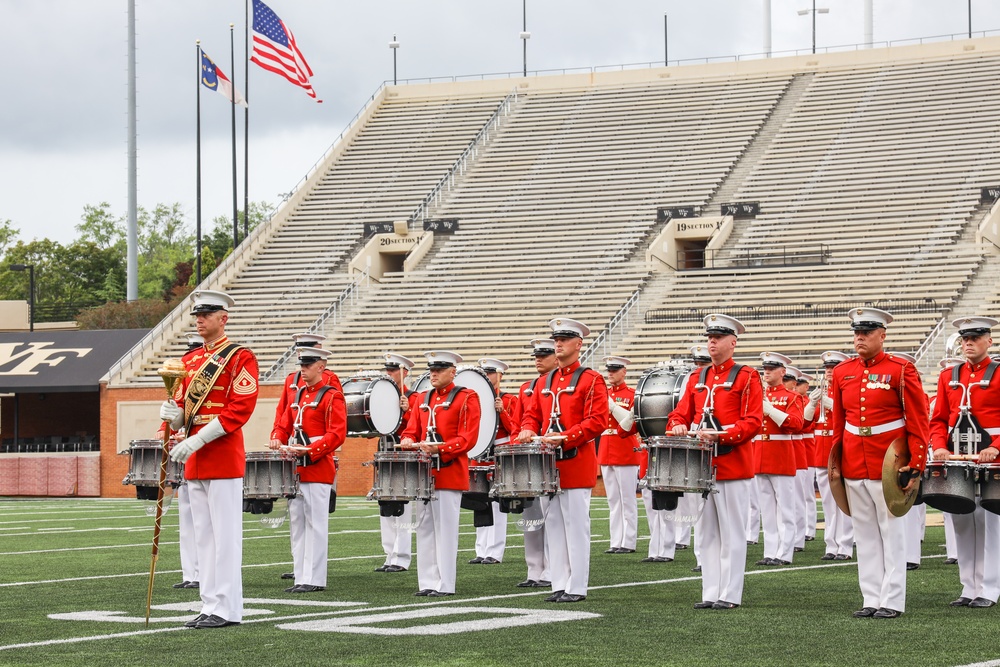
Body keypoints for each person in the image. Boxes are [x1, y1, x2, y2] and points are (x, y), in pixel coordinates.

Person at [160, 290, 259, 629]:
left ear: (223, 318)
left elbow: (239, 409)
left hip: (221, 455)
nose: (199, 319)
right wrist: (172, 417)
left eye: (207, 314)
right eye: (197, 315)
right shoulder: (187, 363)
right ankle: (209, 604)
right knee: (203, 536)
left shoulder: (239, 357)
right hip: (195, 459)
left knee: (225, 537)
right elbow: (184, 413)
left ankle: (228, 608)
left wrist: (198, 438)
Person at [829, 307, 928, 619]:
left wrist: (916, 463)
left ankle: (892, 600)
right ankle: (871, 597)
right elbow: (838, 424)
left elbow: (917, 418)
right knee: (866, 536)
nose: (860, 337)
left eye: (867, 331)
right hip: (854, 464)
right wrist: (836, 465)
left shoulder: (901, 370)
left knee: (893, 534)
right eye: (857, 332)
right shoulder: (842, 372)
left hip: (889, 464)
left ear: (882, 335)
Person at [667, 314, 762, 610]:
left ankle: (730, 594)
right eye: (709, 337)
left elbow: (753, 421)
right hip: (701, 467)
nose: (712, 342)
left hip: (732, 464)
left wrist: (722, 435)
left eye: (718, 337)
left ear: (732, 343)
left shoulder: (747, 376)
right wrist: (678, 425)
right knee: (706, 533)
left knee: (732, 532)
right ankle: (710, 591)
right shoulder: (696, 378)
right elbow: (680, 413)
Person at [519, 317, 609, 603]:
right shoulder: (545, 381)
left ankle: (577, 586)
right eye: (556, 339)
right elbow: (532, 413)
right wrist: (528, 428)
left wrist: (566, 437)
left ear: (578, 344)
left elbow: (597, 421)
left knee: (575, 526)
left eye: (564, 339)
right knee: (554, 525)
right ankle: (559, 583)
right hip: (548, 465)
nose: (557, 343)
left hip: (575, 460)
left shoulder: (591, 379)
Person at [930, 316, 1000, 608]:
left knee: (990, 523)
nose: (968, 343)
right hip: (958, 457)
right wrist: (938, 447)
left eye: (974, 338)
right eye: (964, 339)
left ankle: (990, 588)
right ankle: (968, 587)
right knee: (961, 521)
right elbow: (937, 419)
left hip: (992, 459)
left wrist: (996, 448)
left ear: (989, 341)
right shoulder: (950, 375)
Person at [400, 350, 480, 597]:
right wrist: (406, 439)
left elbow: (468, 438)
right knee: (424, 529)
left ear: (452, 372)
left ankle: (445, 584)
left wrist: (441, 448)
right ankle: (427, 582)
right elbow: (412, 430)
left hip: (449, 472)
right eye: (431, 370)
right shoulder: (423, 398)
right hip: (424, 474)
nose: (433, 374)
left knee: (445, 531)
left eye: (439, 370)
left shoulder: (467, 397)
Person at [269, 346, 347, 593]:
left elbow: (337, 434)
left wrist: (311, 450)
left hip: (317, 466)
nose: (302, 369)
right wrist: (276, 437)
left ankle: (314, 579)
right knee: (297, 523)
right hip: (296, 466)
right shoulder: (299, 395)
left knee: (315, 523)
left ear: (321, 367)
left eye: (308, 365)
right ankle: (300, 576)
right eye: (301, 365)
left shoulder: (332, 395)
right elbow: (284, 424)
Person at [511, 338, 558, 588]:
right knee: (531, 517)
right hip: (529, 459)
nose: (538, 359)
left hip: (550, 456)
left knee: (551, 517)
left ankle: (552, 569)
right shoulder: (527, 388)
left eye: (544, 355)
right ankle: (534, 570)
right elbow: (519, 423)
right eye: (536, 356)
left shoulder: (557, 387)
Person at [803, 350, 854, 561]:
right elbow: (805, 422)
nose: (829, 372)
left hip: (841, 451)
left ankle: (845, 546)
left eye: (833, 368)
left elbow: (852, 413)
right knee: (828, 504)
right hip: (821, 453)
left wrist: (830, 403)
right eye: (827, 368)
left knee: (844, 502)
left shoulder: (846, 390)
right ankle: (831, 545)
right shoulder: (821, 391)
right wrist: (812, 404)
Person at [753, 352, 803, 567]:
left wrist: (771, 410)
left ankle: (784, 553)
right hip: (760, 454)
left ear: (783, 372)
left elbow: (796, 424)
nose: (767, 372)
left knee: (785, 509)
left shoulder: (793, 397)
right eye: (765, 368)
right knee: (767, 509)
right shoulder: (757, 396)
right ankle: (770, 550)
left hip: (781, 454)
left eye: (772, 369)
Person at [376, 353, 420, 573]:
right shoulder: (382, 396)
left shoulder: (415, 398)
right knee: (385, 505)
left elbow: (418, 427)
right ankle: (389, 555)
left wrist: (407, 410)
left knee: (403, 506)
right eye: (387, 370)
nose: (389, 374)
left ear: (404, 373)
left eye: (393, 370)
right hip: (385, 451)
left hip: (404, 454)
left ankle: (401, 558)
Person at [468, 357, 515, 565]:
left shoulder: (510, 399)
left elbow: (516, 428)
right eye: (484, 373)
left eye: (491, 373)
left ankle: (494, 552)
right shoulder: (476, 400)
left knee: (497, 502)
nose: (487, 377)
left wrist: (502, 411)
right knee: (480, 501)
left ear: (500, 375)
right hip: (480, 452)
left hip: (500, 450)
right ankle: (481, 550)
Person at [168, 332, 204, 590]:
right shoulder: (184, 375)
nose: (189, 358)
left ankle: (202, 572)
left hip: (201, 447)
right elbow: (176, 409)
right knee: (186, 518)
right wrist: (169, 429)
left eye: (194, 352)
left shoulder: (206, 374)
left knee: (202, 520)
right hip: (183, 451)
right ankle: (189, 572)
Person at [600, 356, 642, 555]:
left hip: (625, 448)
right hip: (606, 449)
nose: (611, 373)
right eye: (609, 370)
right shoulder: (603, 393)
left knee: (627, 499)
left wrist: (613, 406)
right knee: (613, 500)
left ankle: (629, 541)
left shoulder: (632, 394)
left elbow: (629, 421)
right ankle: (616, 540)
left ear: (624, 371)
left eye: (615, 370)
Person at [794, 373, 818, 544]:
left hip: (807, 446)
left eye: (799, 384)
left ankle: (810, 528)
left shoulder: (807, 402)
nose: (796, 387)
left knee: (807, 493)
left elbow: (808, 423)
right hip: (796, 445)